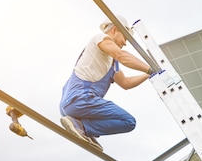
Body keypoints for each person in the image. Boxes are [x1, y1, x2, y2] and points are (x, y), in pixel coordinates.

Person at [59, 15, 154, 151]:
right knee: (128, 121)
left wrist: (149, 74)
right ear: (115, 30)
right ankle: (82, 126)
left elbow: (126, 83)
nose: (125, 43)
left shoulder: (111, 63)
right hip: (80, 99)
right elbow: (121, 55)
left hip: (72, 105)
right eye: (125, 38)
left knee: (129, 123)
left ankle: (82, 127)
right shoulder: (100, 39)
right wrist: (151, 67)